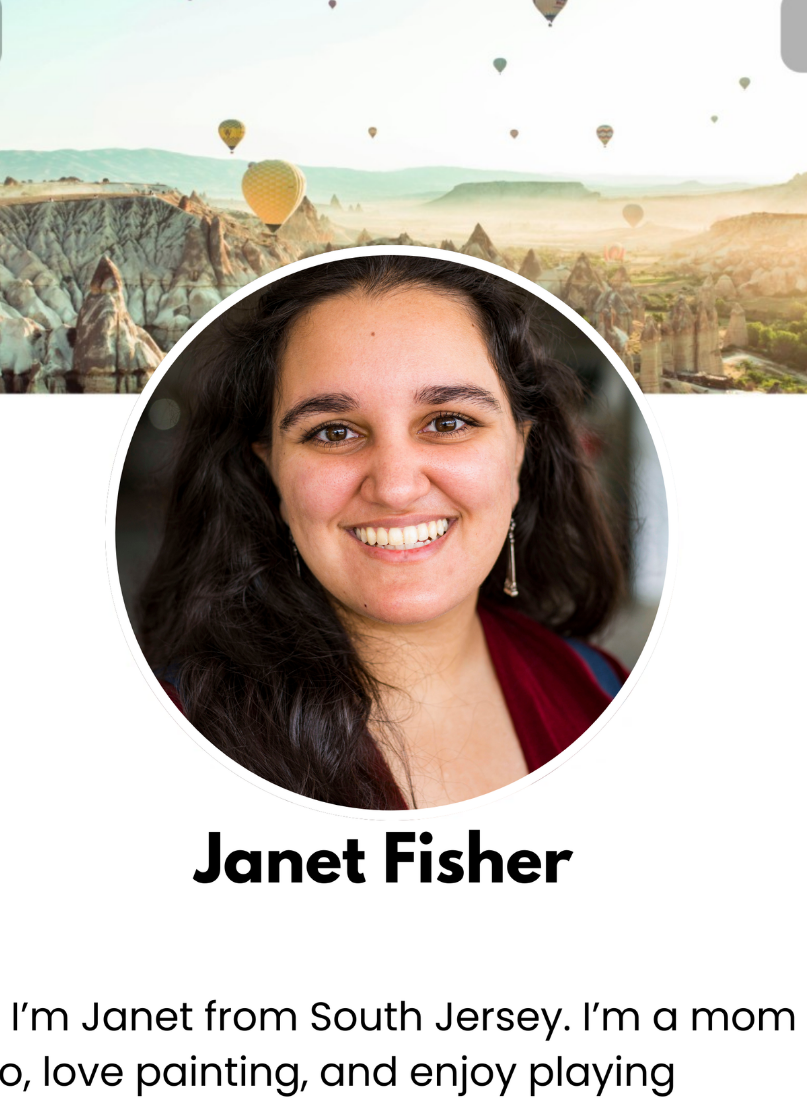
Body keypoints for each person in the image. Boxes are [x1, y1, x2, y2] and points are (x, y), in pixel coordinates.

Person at [140, 255, 628, 809]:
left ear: (520, 448)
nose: (395, 488)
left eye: (448, 422)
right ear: (269, 469)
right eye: (334, 431)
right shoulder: (174, 738)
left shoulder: (602, 689)